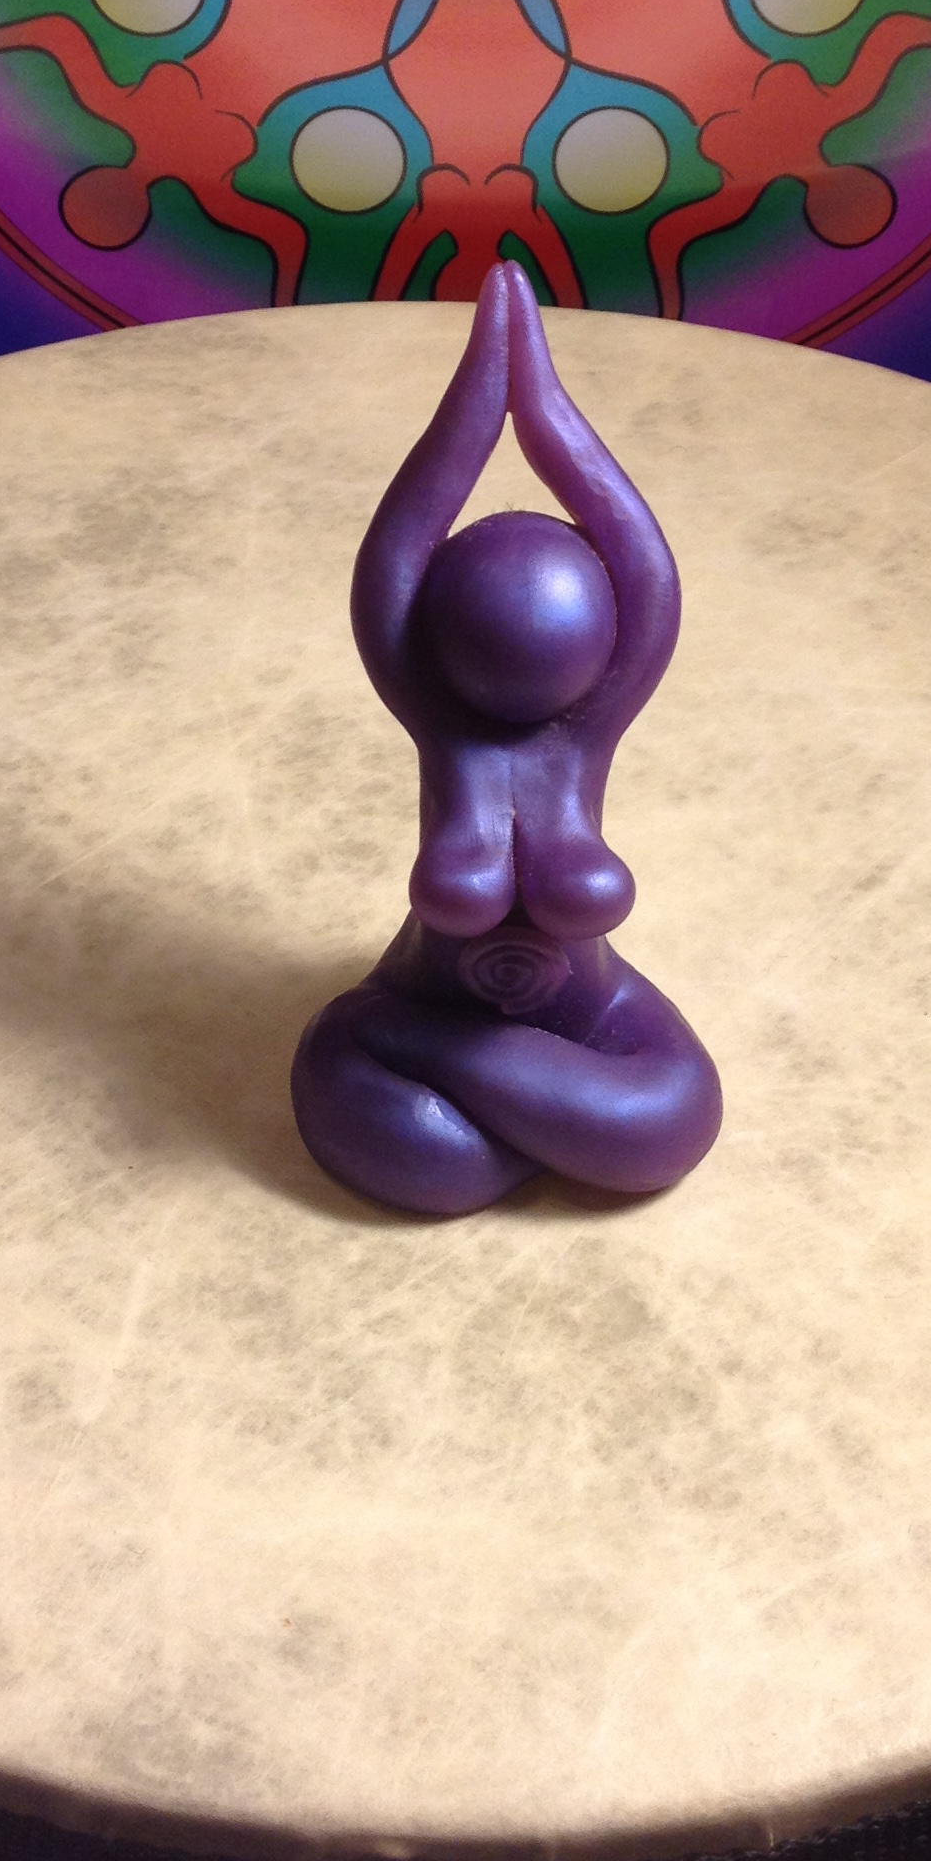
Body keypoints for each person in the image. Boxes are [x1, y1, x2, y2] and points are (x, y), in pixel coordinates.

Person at [292, 264, 721, 1214]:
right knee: (414, 1143)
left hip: (596, 1014)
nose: (528, 653)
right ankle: (531, 1115)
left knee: (674, 1117)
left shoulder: (590, 728)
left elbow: (643, 561)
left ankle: (487, 1104)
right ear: (434, 630)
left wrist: (542, 404)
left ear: (608, 627)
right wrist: (482, 397)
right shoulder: (439, 718)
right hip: (421, 1004)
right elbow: (396, 554)